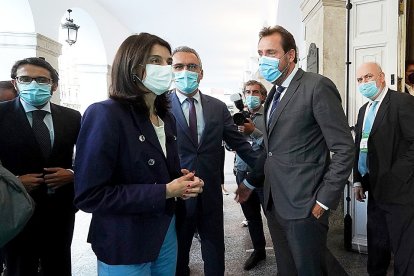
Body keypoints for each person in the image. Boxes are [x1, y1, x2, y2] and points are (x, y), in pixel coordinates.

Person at [74, 33, 204, 276]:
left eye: (167, 61)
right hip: (126, 239)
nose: (165, 68)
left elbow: (158, 171)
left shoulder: (165, 117)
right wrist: (165, 191)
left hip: (164, 231)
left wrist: (183, 182)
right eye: (155, 61)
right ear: (131, 66)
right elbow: (90, 195)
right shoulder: (105, 114)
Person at [236, 25, 355, 275]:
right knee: (288, 269)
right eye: (260, 53)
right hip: (274, 203)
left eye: (271, 52)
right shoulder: (272, 96)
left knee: (311, 269)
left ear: (290, 55)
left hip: (304, 204)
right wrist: (250, 181)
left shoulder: (317, 86)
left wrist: (324, 199)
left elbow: (344, 148)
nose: (263, 59)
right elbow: (271, 152)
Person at [169, 46, 257, 276]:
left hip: (210, 191)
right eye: (179, 67)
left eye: (192, 67)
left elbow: (240, 144)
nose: (185, 72)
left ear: (201, 73)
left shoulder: (217, 107)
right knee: (178, 251)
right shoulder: (160, 106)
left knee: (214, 248)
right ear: (171, 71)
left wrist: (266, 165)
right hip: (176, 193)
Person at [0, 57, 81, 276]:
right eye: (25, 78)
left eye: (41, 80)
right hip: (16, 208)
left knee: (59, 264)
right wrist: (14, 181)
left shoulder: (72, 117)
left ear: (54, 85)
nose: (33, 85)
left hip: (60, 208)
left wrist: (73, 173)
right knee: (19, 266)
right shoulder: (2, 114)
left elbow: (86, 156)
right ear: (15, 83)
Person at [353, 62, 414, 275]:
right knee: (377, 248)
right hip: (374, 189)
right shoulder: (363, 110)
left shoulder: (403, 102)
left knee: (405, 254)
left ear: (381, 78)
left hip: (400, 193)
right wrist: (358, 179)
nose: (364, 83)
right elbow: (359, 146)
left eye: (368, 77)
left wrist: (396, 175)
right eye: (359, 80)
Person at [234, 80, 268, 270]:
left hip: (262, 175)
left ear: (263, 96)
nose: (251, 95)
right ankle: (259, 251)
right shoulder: (239, 116)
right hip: (242, 172)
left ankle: (283, 251)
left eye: (256, 92)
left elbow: (272, 146)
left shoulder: (270, 115)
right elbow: (231, 146)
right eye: (248, 92)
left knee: (272, 215)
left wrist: (252, 131)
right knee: (251, 216)